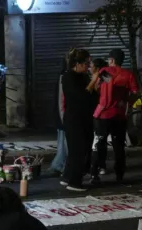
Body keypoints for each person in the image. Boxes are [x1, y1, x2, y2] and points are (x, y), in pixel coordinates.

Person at [92, 48, 139, 185]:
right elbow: (135, 93)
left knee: (99, 144)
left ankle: (95, 173)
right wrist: (125, 101)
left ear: (112, 60)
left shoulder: (105, 72)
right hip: (119, 115)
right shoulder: (128, 75)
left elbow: (97, 88)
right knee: (119, 147)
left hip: (103, 114)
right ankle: (119, 175)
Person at [61, 49, 98, 192]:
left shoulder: (83, 76)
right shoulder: (68, 77)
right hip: (74, 119)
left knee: (78, 150)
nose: (88, 66)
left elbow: (91, 97)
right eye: (86, 63)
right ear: (77, 64)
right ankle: (74, 183)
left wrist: (95, 83)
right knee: (78, 150)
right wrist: (93, 81)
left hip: (85, 118)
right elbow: (80, 96)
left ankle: (67, 177)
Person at [48, 57, 69, 177]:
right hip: (63, 116)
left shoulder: (65, 76)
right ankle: (60, 165)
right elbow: (61, 100)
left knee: (63, 142)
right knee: (63, 142)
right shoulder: (64, 77)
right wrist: (63, 118)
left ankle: (59, 165)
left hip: (63, 116)